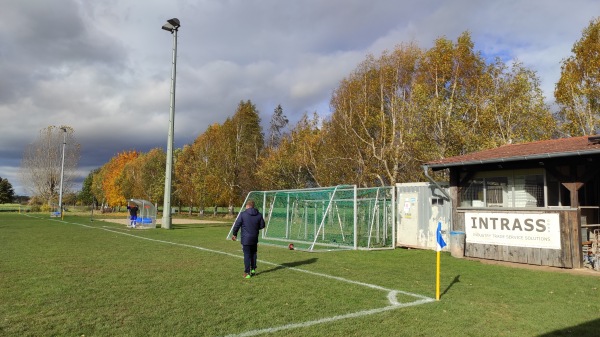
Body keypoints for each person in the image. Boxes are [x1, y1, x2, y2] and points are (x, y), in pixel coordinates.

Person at [231, 200, 266, 279]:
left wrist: (234, 234)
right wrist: (255, 228)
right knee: (253, 253)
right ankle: (253, 269)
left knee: (247, 255)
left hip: (246, 238)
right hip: (254, 238)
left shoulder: (243, 214)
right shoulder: (259, 215)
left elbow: (237, 225)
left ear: (247, 206)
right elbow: (262, 225)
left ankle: (247, 272)